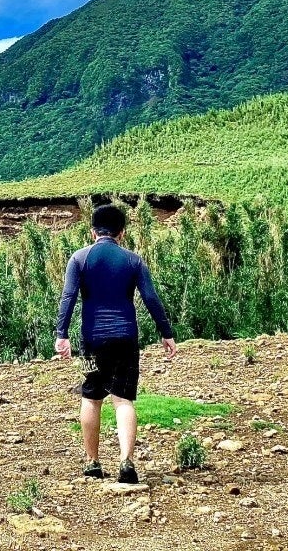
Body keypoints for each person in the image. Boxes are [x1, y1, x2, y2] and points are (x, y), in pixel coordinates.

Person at [54, 203, 176, 484]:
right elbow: (151, 298)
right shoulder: (133, 260)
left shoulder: (79, 258)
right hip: (125, 339)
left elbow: (68, 298)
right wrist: (166, 333)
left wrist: (62, 335)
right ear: (122, 232)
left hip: (90, 341)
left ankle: (93, 462)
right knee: (123, 400)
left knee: (91, 396)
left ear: (92, 230)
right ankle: (126, 462)